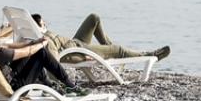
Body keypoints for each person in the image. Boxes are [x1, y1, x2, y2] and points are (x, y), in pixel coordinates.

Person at [0, 17, 86, 96]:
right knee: (41, 53)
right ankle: (69, 85)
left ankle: (49, 85)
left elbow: (8, 45)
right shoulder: (0, 53)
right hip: (14, 88)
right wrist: (41, 44)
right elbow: (28, 52)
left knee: (36, 52)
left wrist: (32, 43)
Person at [31, 12, 170, 62]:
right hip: (77, 51)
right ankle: (150, 55)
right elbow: (56, 61)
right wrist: (85, 56)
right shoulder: (45, 41)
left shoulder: (37, 35)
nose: (46, 24)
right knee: (119, 49)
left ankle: (109, 50)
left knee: (94, 18)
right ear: (40, 26)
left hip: (75, 43)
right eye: (44, 23)